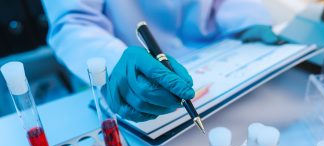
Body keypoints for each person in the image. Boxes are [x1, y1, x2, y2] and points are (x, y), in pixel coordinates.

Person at [41, 0, 279, 122]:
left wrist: (248, 19)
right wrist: (113, 63)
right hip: (133, 63)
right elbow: (73, 22)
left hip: (224, 59)